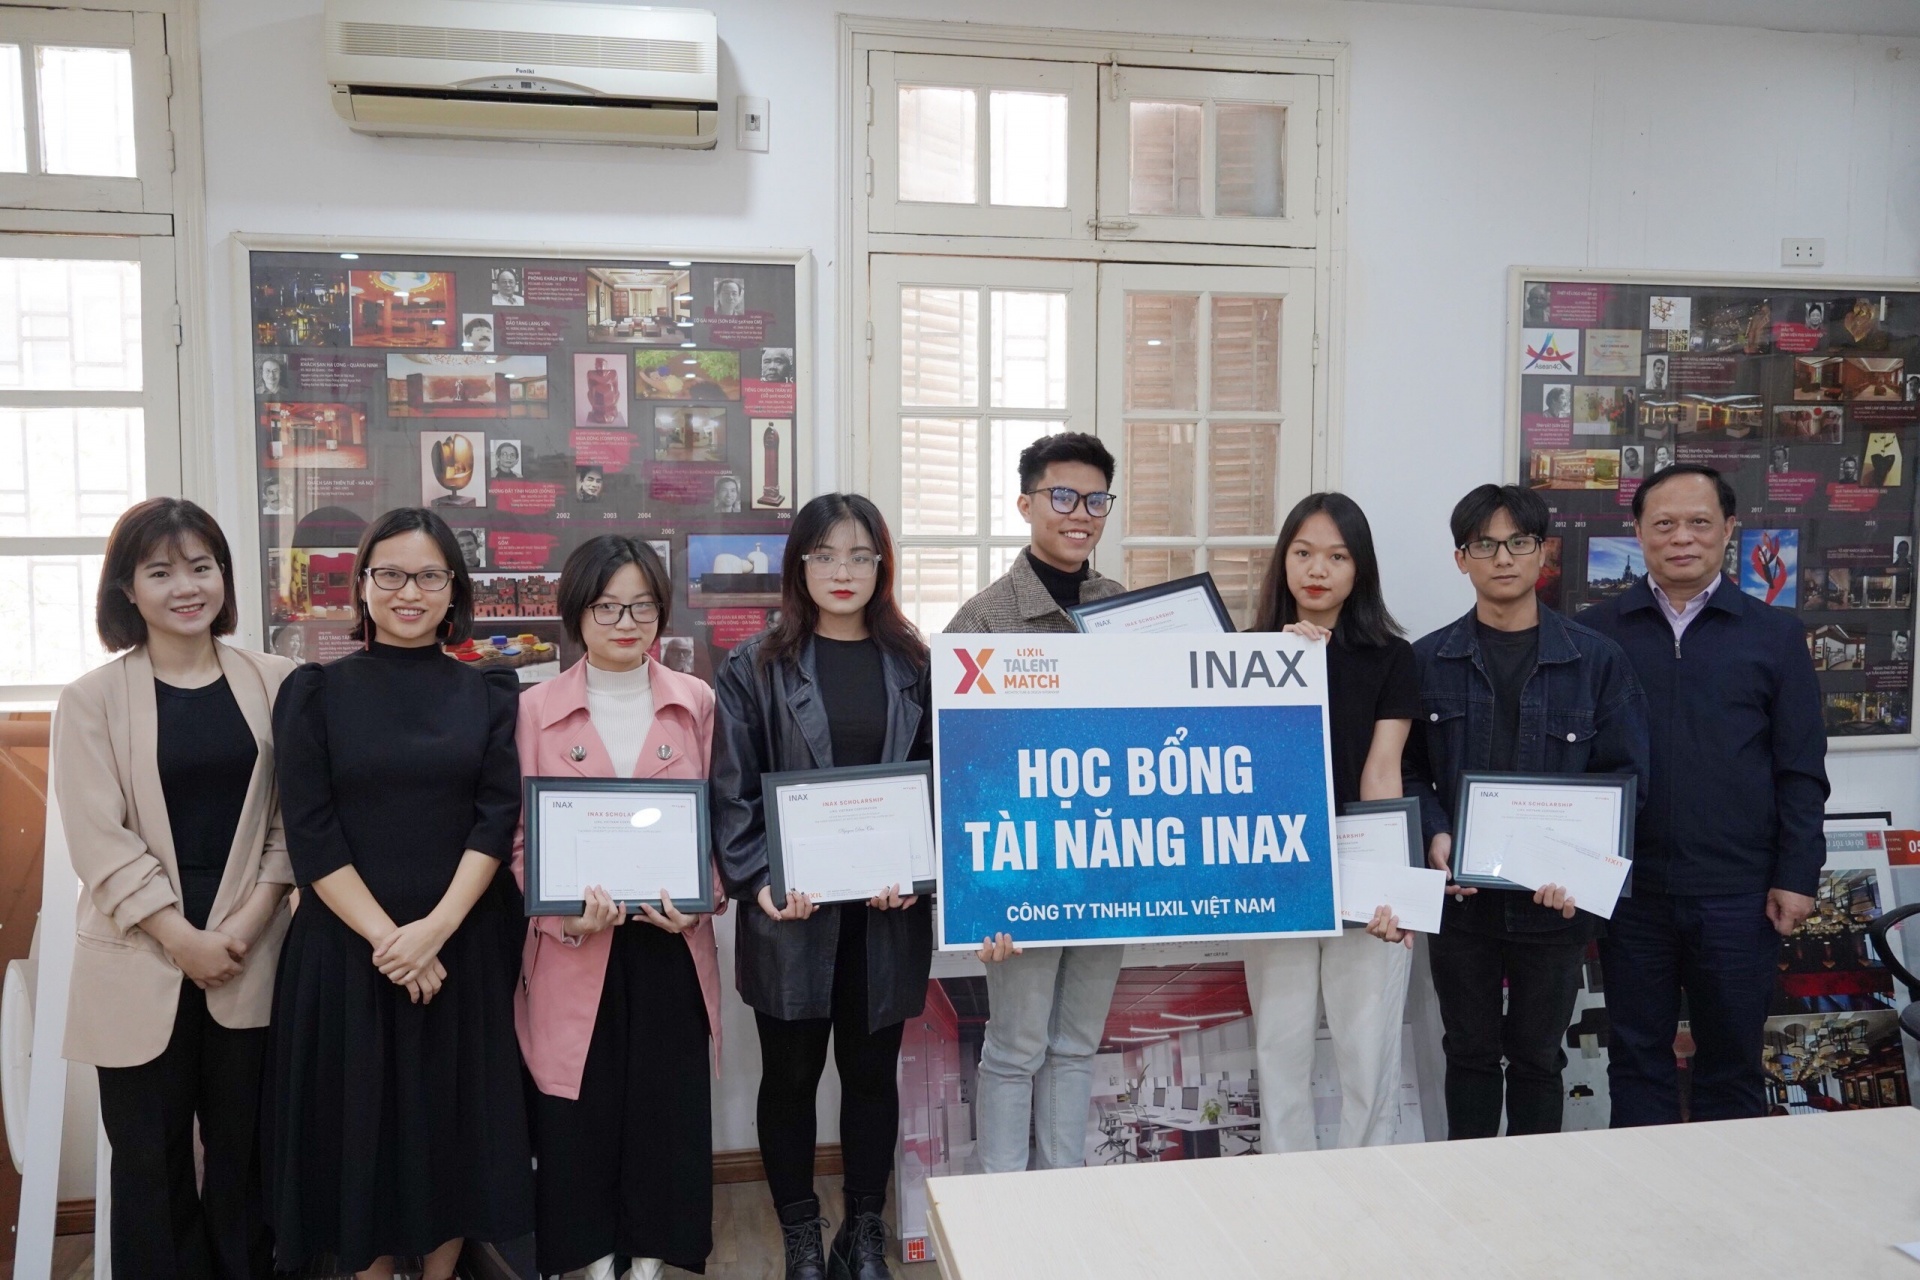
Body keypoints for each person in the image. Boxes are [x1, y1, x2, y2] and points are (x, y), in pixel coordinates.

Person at [264, 507, 532, 1279]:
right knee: (359, 1134)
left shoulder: (490, 693)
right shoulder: (314, 691)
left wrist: (434, 932)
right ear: (362, 585)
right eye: (390, 574)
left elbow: (495, 818)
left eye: (428, 576)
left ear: (454, 590)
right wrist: (395, 943)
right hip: (348, 954)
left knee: (455, 1129)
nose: (408, 592)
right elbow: (311, 832)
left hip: (461, 949)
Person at [54, 498, 295, 1279]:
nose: (185, 587)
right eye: (160, 572)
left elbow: (292, 824)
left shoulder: (280, 683)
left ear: (224, 575)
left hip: (251, 950)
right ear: (127, 589)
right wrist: (180, 938)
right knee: (149, 1172)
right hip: (139, 953)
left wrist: (248, 923)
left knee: (249, 1163)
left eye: (201, 566)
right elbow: (99, 839)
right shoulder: (91, 699)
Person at [711, 494, 933, 1280]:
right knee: (791, 1078)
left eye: (861, 555)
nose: (844, 572)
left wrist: (919, 872)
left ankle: (863, 1233)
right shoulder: (754, 666)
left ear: (882, 566)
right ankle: (802, 1236)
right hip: (792, 916)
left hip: (886, 916)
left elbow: (942, 784)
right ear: (798, 565)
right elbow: (732, 792)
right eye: (826, 555)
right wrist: (759, 879)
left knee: (872, 1078)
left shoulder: (917, 666)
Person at [1579, 464, 1828, 1127]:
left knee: (1732, 1064)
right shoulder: (1594, 632)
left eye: (1699, 522)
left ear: (1729, 530)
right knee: (1636, 1059)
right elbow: (1572, 762)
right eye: (1664, 524)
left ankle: (1731, 1190)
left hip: (1738, 893)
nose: (1681, 537)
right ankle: (1644, 1191)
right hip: (1630, 892)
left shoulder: (1775, 634)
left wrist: (1797, 874)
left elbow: (1801, 769)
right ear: (1638, 533)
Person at [1405, 483, 1649, 1140]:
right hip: (1462, 901)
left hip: (1556, 902)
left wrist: (1584, 868)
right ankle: (1469, 1186)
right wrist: (1435, 833)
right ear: (1461, 559)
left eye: (1518, 542)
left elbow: (1627, 778)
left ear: (1544, 552)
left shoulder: (1596, 661)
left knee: (1540, 1058)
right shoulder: (1427, 661)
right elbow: (1406, 769)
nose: (1503, 558)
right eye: (1484, 545)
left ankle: (1535, 1188)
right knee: (1469, 1054)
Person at [512, 537, 724, 1280]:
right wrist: (560, 918)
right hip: (578, 945)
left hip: (669, 943)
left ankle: (652, 1259)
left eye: (641, 606)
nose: (625, 623)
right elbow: (518, 840)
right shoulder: (533, 709)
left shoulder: (695, 701)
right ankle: (594, 1260)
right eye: (607, 607)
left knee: (666, 1113)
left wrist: (702, 902)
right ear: (577, 612)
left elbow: (718, 824)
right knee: (580, 1114)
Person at [944, 431, 1125, 1174]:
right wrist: (979, 896)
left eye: (1095, 500)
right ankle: (1002, 1214)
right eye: (1062, 496)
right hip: (1023, 870)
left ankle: (1063, 1202)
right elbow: (958, 771)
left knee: (1077, 1043)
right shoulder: (983, 621)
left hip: (1111, 865)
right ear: (1026, 504)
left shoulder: (1129, 612)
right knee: (1016, 1046)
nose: (1079, 514)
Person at [1244, 493, 1418, 1153]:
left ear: (1359, 568)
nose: (1318, 570)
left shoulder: (1392, 657)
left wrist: (1389, 889)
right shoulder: (1247, 654)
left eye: (1337, 557)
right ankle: (1288, 1193)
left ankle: (1367, 1189)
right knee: (1279, 1048)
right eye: (1303, 553)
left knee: (1367, 1050)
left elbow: (1382, 772)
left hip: (1358, 866)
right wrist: (1283, 666)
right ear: (1283, 561)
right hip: (1275, 873)